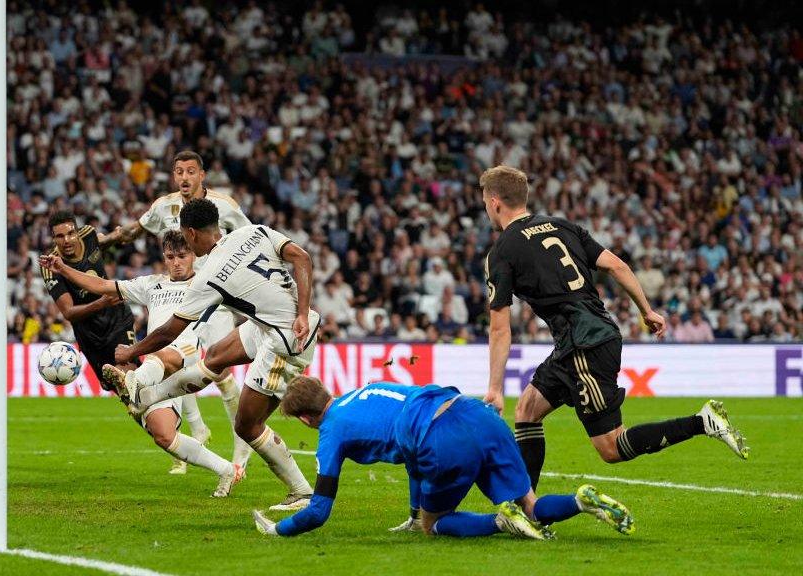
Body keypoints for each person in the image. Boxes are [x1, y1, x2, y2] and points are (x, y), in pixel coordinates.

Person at [479, 165, 748, 492]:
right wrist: (646, 310)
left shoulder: (501, 251)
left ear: (495, 202)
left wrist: (494, 388)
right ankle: (526, 506)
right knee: (527, 409)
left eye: (484, 201)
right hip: (583, 339)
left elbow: (499, 329)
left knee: (611, 447)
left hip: (584, 344)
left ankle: (702, 422)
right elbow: (617, 265)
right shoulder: (562, 226)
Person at [112, 198, 319, 511]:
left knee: (246, 425)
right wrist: (302, 311)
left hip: (285, 340)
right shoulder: (253, 232)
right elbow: (301, 257)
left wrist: (131, 350)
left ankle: (301, 492)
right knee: (216, 356)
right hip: (279, 323)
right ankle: (149, 397)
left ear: (192, 233)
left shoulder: (209, 274)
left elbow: (169, 332)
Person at [253, 377, 634, 540]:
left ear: (305, 418)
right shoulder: (370, 390)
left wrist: (278, 529)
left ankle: (500, 523)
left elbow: (319, 510)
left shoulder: (330, 433)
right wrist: (412, 511)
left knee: (434, 527)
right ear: (326, 389)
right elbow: (410, 458)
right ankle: (579, 501)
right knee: (532, 505)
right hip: (476, 413)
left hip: (442, 437)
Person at [40, 231, 243, 497]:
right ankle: (227, 469)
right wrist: (64, 269)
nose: (177, 262)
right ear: (164, 258)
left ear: (194, 255)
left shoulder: (206, 284)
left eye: (182, 256)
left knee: (161, 354)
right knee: (164, 436)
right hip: (158, 367)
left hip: (188, 353)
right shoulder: (152, 285)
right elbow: (103, 286)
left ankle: (133, 384)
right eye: (171, 257)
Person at [112, 150, 253, 473]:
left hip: (215, 298)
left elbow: (250, 238)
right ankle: (196, 427)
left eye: (191, 171)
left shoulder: (225, 207)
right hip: (181, 296)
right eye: (179, 172)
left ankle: (241, 446)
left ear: (202, 175)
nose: (185, 178)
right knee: (176, 357)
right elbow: (137, 228)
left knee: (220, 371)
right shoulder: (165, 206)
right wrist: (107, 240)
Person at [40, 211, 136, 393]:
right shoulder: (51, 267)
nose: (66, 240)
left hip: (117, 319)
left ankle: (168, 415)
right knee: (119, 389)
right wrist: (101, 303)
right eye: (60, 236)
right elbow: (68, 312)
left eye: (70, 233)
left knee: (130, 376)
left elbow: (101, 244)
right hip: (89, 335)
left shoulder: (89, 234)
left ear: (77, 232)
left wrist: (116, 236)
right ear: (53, 239)